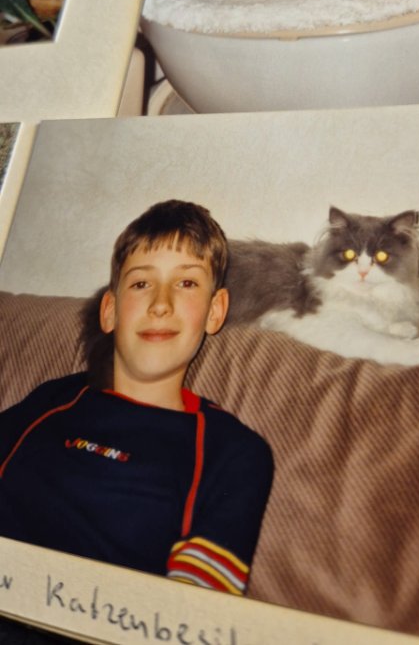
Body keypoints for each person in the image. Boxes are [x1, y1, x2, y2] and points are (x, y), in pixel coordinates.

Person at [0, 199, 274, 602]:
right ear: (110, 311)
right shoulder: (54, 399)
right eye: (142, 283)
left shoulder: (234, 453)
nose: (160, 304)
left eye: (186, 283)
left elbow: (191, 613)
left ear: (215, 311)